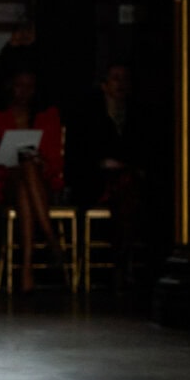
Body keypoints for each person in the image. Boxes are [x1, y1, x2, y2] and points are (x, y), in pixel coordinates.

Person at [0, 69, 66, 293]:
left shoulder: (47, 116)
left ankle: (27, 269)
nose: (24, 92)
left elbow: (55, 162)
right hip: (7, 180)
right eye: (19, 85)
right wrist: (13, 162)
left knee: (27, 177)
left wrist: (41, 161)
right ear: (9, 87)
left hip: (41, 183)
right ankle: (51, 239)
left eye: (29, 86)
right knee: (22, 174)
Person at [67, 62, 147, 284]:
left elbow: (144, 150)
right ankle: (122, 260)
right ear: (104, 85)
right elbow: (79, 154)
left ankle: (122, 258)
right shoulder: (88, 115)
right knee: (126, 192)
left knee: (129, 189)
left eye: (125, 79)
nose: (121, 84)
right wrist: (102, 163)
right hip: (96, 179)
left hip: (128, 179)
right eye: (115, 78)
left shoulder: (137, 115)